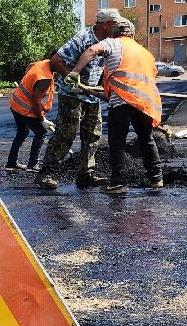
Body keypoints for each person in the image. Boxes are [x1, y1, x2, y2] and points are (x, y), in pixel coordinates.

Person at [67, 17, 162, 196]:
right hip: (144, 104)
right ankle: (156, 179)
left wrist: (74, 72)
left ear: (115, 33)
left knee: (117, 143)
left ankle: (118, 183)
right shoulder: (145, 53)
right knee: (146, 139)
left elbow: (91, 50)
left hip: (122, 102)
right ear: (133, 34)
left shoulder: (114, 43)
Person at [36, 7, 120, 190]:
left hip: (91, 95)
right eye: (115, 24)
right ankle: (46, 173)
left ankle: (86, 174)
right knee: (66, 133)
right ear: (105, 24)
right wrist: (71, 77)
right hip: (72, 94)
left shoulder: (109, 41)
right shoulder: (84, 38)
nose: (117, 27)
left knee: (93, 135)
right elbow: (56, 60)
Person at [6, 57, 57, 171]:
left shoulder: (43, 64)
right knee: (41, 132)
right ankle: (32, 164)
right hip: (24, 109)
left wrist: (28, 82)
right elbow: (36, 101)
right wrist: (42, 120)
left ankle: (11, 163)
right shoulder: (45, 79)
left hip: (15, 104)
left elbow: (30, 66)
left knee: (22, 133)